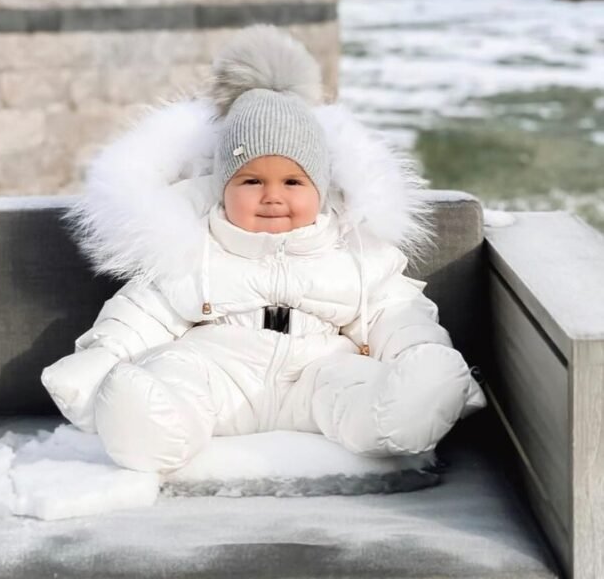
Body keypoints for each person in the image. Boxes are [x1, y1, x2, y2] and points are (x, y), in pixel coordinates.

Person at [42, 25, 485, 473]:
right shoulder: (194, 246)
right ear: (221, 188)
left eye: (293, 182)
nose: (272, 196)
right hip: (220, 371)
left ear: (322, 188)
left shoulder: (353, 249)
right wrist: (100, 359)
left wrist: (419, 355)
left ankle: (409, 409)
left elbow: (396, 313)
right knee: (176, 374)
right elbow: (143, 312)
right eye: (251, 181)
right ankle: (150, 428)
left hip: (318, 373)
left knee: (361, 387)